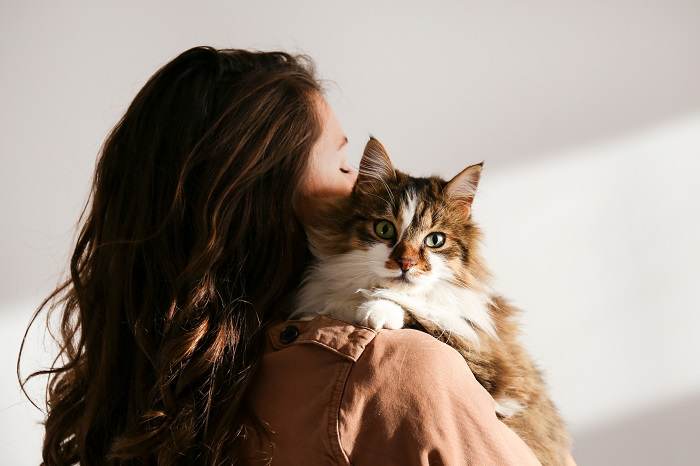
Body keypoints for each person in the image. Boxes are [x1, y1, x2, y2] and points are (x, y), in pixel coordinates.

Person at [18, 46, 575, 465]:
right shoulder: (395, 372)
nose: (356, 181)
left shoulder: (155, 385)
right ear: (261, 193)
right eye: (342, 161)